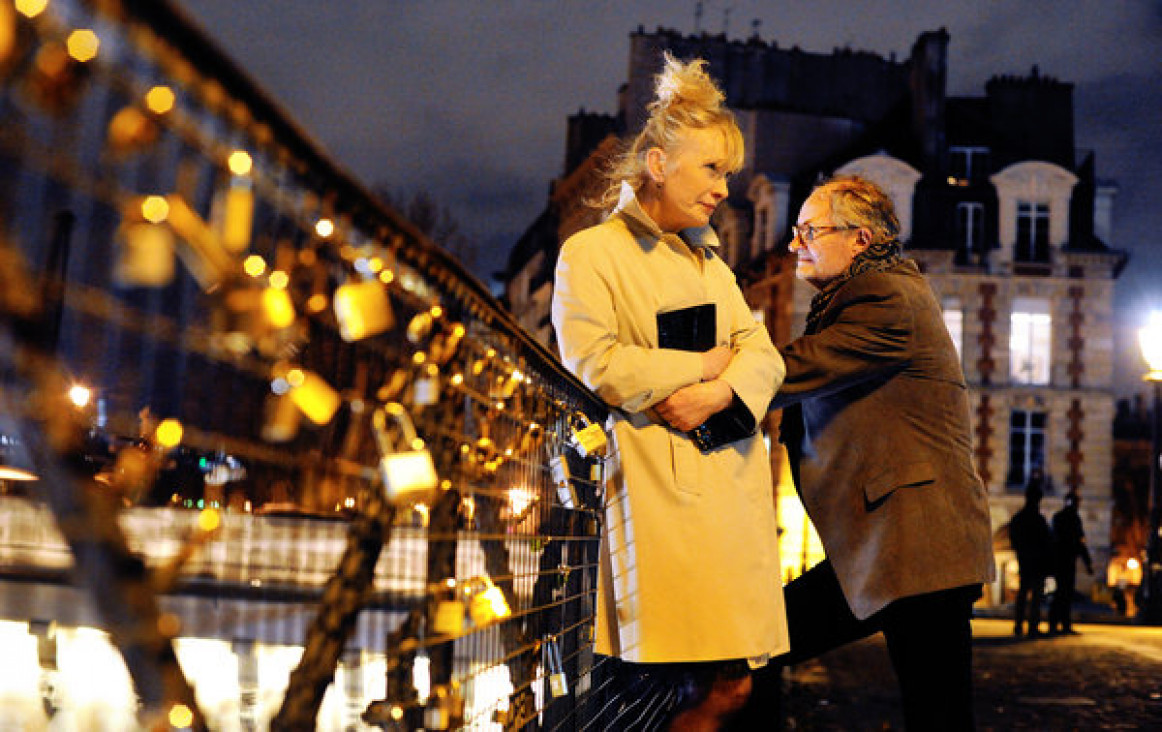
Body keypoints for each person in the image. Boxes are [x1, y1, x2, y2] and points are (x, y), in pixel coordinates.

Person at [552, 53, 788, 730]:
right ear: (658, 163)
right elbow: (597, 362)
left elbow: (764, 356)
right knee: (660, 697)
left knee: (728, 694)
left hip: (728, 504)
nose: (723, 189)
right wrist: (706, 364)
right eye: (712, 169)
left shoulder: (710, 263)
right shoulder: (591, 253)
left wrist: (713, 393)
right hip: (662, 510)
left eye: (728, 174)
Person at [733, 176, 996, 731]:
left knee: (757, 646)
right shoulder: (864, 293)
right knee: (938, 714)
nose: (793, 243)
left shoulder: (885, 297)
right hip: (900, 546)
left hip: (915, 547)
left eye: (810, 230)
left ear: (860, 238)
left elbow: (797, 368)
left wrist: (703, 379)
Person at [1009, 480, 1053, 637]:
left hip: (1025, 560)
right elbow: (1047, 541)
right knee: (1035, 595)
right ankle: (1032, 625)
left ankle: (1019, 625)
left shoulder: (1019, 518)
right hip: (1037, 562)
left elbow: (1014, 538)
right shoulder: (1038, 519)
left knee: (1023, 593)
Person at [1048, 492, 1094, 635]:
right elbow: (1080, 542)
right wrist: (1087, 563)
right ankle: (1063, 624)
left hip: (1058, 559)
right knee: (1065, 593)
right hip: (1066, 560)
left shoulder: (1058, 517)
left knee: (1060, 593)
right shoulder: (1073, 519)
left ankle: (1055, 624)